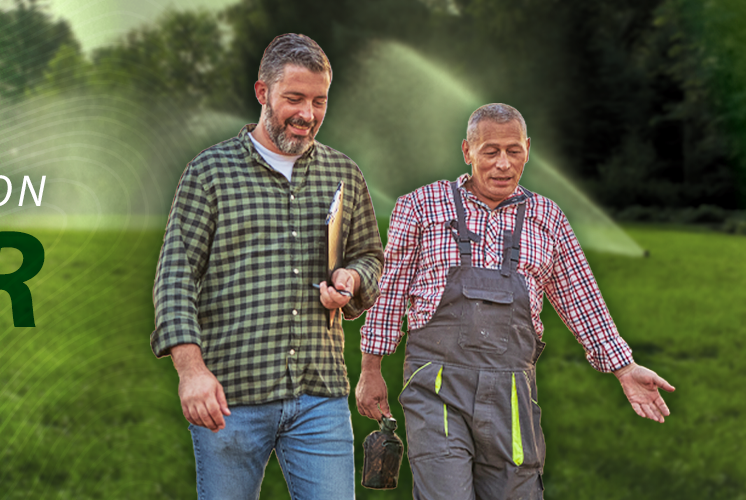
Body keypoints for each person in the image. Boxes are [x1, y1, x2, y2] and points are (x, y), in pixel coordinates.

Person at [355, 103, 675, 499]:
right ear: (467, 151)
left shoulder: (548, 218)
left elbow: (582, 299)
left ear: (527, 149)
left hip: (511, 394)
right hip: (436, 388)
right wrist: (371, 369)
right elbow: (390, 291)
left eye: (514, 151)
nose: (503, 164)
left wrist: (624, 369)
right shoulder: (421, 206)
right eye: (490, 151)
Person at [151, 33, 384, 500]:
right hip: (231, 397)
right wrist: (191, 372)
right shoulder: (210, 172)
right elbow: (175, 277)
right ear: (262, 92)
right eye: (294, 98)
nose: (308, 114)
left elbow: (371, 258)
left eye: (319, 101)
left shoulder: (345, 173)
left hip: (321, 393)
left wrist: (353, 278)